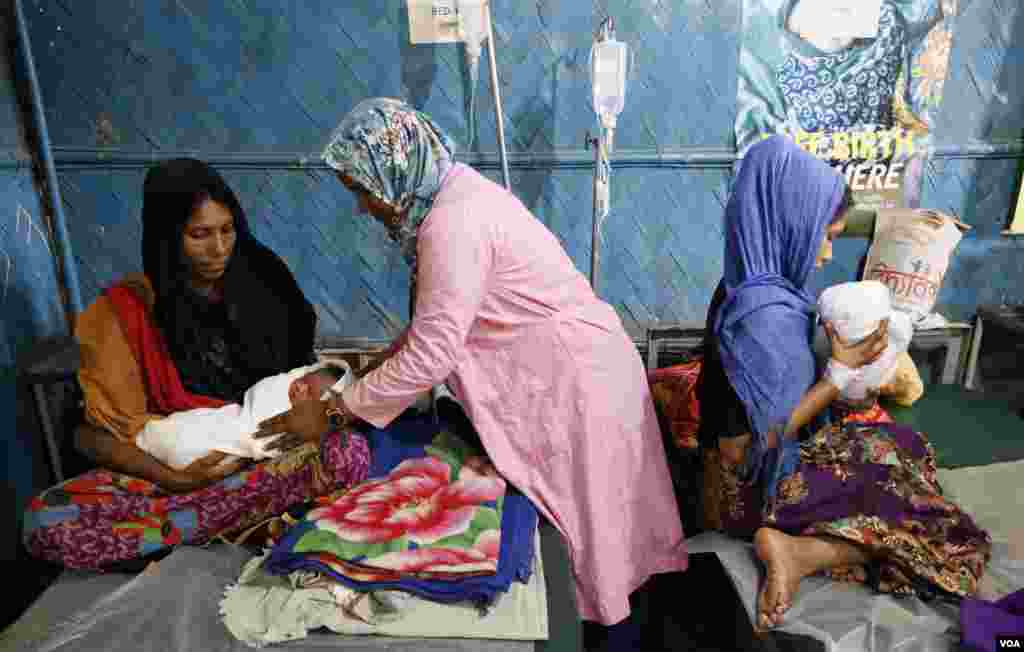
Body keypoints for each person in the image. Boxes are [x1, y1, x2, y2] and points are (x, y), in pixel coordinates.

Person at [254, 98, 689, 640]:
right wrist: (364, 380)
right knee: (607, 534)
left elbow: (433, 352)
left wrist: (336, 412)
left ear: (396, 167)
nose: (363, 207)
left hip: (577, 384)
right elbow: (431, 330)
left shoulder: (451, 225)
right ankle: (617, 632)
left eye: (362, 190)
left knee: (601, 536)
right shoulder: (454, 196)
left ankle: (615, 638)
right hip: (579, 369)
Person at [695, 135, 989, 630]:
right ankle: (802, 551)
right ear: (788, 222)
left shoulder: (744, 286)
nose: (827, 252)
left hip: (760, 471)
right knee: (952, 540)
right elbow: (756, 447)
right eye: (824, 235)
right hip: (755, 497)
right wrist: (839, 372)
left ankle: (817, 546)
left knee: (903, 446)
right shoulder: (763, 319)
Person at [23, 159, 370, 571]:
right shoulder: (128, 312)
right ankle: (235, 524)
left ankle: (182, 532)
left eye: (227, 230)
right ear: (168, 236)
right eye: (199, 234)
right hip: (168, 478)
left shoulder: (267, 287)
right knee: (45, 519)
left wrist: (313, 420)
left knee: (347, 453)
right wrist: (176, 480)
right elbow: (89, 437)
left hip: (259, 469)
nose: (219, 248)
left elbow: (307, 389)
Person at [136, 363, 350, 471]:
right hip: (223, 419)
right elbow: (260, 397)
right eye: (303, 380)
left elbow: (264, 440)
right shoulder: (277, 387)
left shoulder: (301, 425)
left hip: (228, 446)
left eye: (310, 393)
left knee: (185, 446)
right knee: (186, 426)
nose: (300, 388)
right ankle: (155, 440)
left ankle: (158, 445)